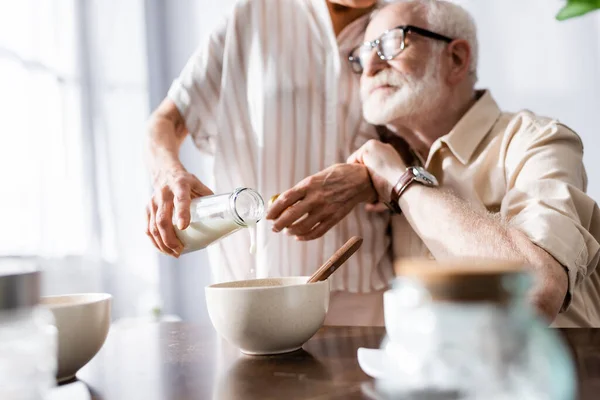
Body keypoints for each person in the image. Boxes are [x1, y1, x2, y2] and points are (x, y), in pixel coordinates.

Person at [275, 0, 600, 326]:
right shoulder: (385, 165)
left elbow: (534, 292)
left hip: (556, 373)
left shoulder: (538, 140)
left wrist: (399, 182)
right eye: (359, 57)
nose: (370, 65)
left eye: (391, 43)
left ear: (456, 58)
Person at [145, 0, 394, 326]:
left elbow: (429, 148)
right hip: (255, 284)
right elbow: (167, 120)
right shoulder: (253, 13)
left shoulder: (406, 21)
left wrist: (368, 181)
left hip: (362, 283)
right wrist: (169, 172)